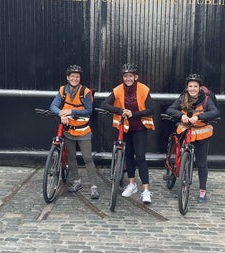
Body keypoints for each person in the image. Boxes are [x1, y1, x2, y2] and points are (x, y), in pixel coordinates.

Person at [101, 63, 155, 204]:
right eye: (125, 76)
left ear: (135, 77)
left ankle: (146, 190)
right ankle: (132, 184)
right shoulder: (118, 89)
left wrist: (134, 114)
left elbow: (151, 109)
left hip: (140, 128)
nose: (128, 78)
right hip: (125, 128)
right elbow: (105, 104)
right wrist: (120, 111)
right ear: (123, 77)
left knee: (141, 157)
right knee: (129, 156)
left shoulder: (143, 89)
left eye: (131, 76)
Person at [165, 73, 220, 203]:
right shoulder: (182, 98)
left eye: (195, 86)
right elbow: (170, 109)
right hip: (186, 131)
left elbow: (215, 112)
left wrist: (199, 117)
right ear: (187, 87)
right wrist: (180, 116)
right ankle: (179, 171)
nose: (193, 89)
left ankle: (202, 191)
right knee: (181, 153)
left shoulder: (206, 100)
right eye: (190, 86)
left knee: (201, 163)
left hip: (201, 133)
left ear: (200, 87)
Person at [50, 64, 99, 199]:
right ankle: (77, 181)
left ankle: (94, 186)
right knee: (71, 158)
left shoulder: (85, 92)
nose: (75, 79)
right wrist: (61, 113)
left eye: (77, 77)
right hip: (68, 131)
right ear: (68, 78)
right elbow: (53, 105)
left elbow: (89, 111)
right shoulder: (62, 90)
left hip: (83, 131)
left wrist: (72, 111)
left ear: (79, 78)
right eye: (72, 76)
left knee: (87, 158)